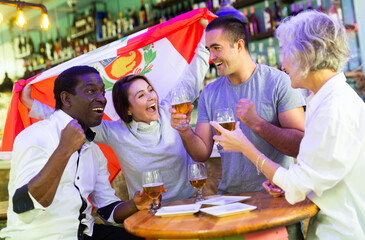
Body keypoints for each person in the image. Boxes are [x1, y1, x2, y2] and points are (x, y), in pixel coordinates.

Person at [210, 11, 365, 239]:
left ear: (306, 54)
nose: (283, 64)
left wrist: (246, 147)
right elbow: (316, 177)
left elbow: (298, 183)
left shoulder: (334, 108)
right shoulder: (327, 100)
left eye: (286, 53)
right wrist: (287, 184)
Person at [20, 21, 209, 204]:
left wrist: (206, 38)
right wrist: (32, 104)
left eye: (150, 90)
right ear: (128, 108)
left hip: (188, 204)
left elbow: (192, 78)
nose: (151, 97)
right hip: (150, 211)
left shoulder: (170, 111)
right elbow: (71, 117)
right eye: (141, 95)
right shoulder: (115, 132)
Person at [0, 66, 153, 240]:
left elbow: (107, 208)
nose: (102, 99)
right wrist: (64, 150)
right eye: (91, 91)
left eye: (102, 92)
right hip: (42, 237)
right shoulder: (35, 135)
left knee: (144, 236)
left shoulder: (94, 151)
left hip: (85, 234)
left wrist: (135, 204)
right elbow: (23, 206)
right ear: (66, 98)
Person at [170, 15, 305, 195]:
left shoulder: (280, 82)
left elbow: (300, 146)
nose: (211, 57)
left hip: (275, 195)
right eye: (209, 49)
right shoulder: (209, 93)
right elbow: (201, 153)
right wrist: (185, 130)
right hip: (229, 200)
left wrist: (257, 123)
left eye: (216, 48)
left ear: (239, 45)